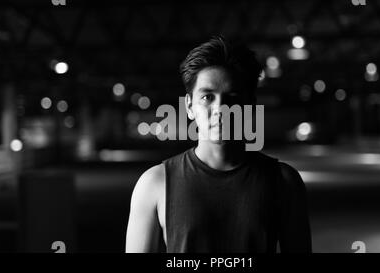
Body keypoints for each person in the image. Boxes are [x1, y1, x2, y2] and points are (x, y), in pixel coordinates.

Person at [125, 36, 312, 253]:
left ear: (250, 104)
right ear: (189, 105)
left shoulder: (284, 182)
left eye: (232, 98)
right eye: (207, 97)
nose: (220, 110)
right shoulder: (155, 184)